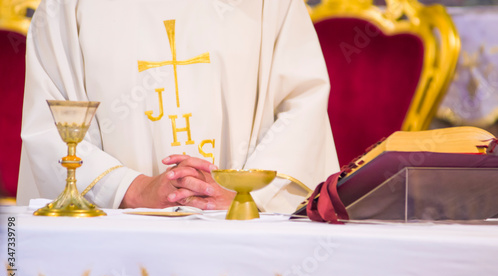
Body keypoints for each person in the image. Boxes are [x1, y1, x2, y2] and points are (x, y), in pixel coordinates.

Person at [17, 0, 339, 213]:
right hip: (117, 241)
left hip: (241, 235)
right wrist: (131, 188)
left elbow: (301, 103)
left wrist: (244, 196)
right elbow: (50, 123)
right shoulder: (68, 5)